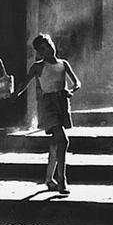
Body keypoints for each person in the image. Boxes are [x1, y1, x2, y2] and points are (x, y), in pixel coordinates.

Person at [14, 33, 81, 194]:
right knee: (63, 140)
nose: (48, 50)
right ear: (40, 53)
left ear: (53, 45)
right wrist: (15, 94)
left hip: (62, 103)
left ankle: (49, 179)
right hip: (48, 104)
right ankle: (62, 181)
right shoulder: (38, 67)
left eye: (49, 46)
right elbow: (25, 83)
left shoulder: (63, 64)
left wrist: (71, 90)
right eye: (43, 49)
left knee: (55, 143)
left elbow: (77, 82)